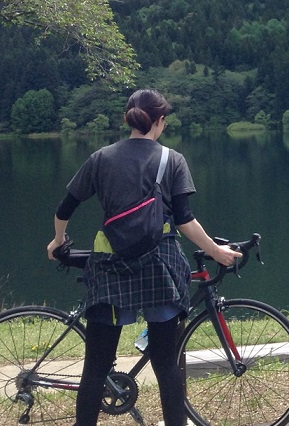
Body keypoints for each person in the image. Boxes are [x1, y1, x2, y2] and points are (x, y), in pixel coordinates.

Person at [46, 89, 241, 426]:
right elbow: (185, 220)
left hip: (110, 269)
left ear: (129, 118)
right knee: (166, 366)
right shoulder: (172, 160)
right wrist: (217, 252)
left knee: (95, 367)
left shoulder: (101, 158)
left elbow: (65, 209)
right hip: (160, 270)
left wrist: (57, 242)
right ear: (160, 121)